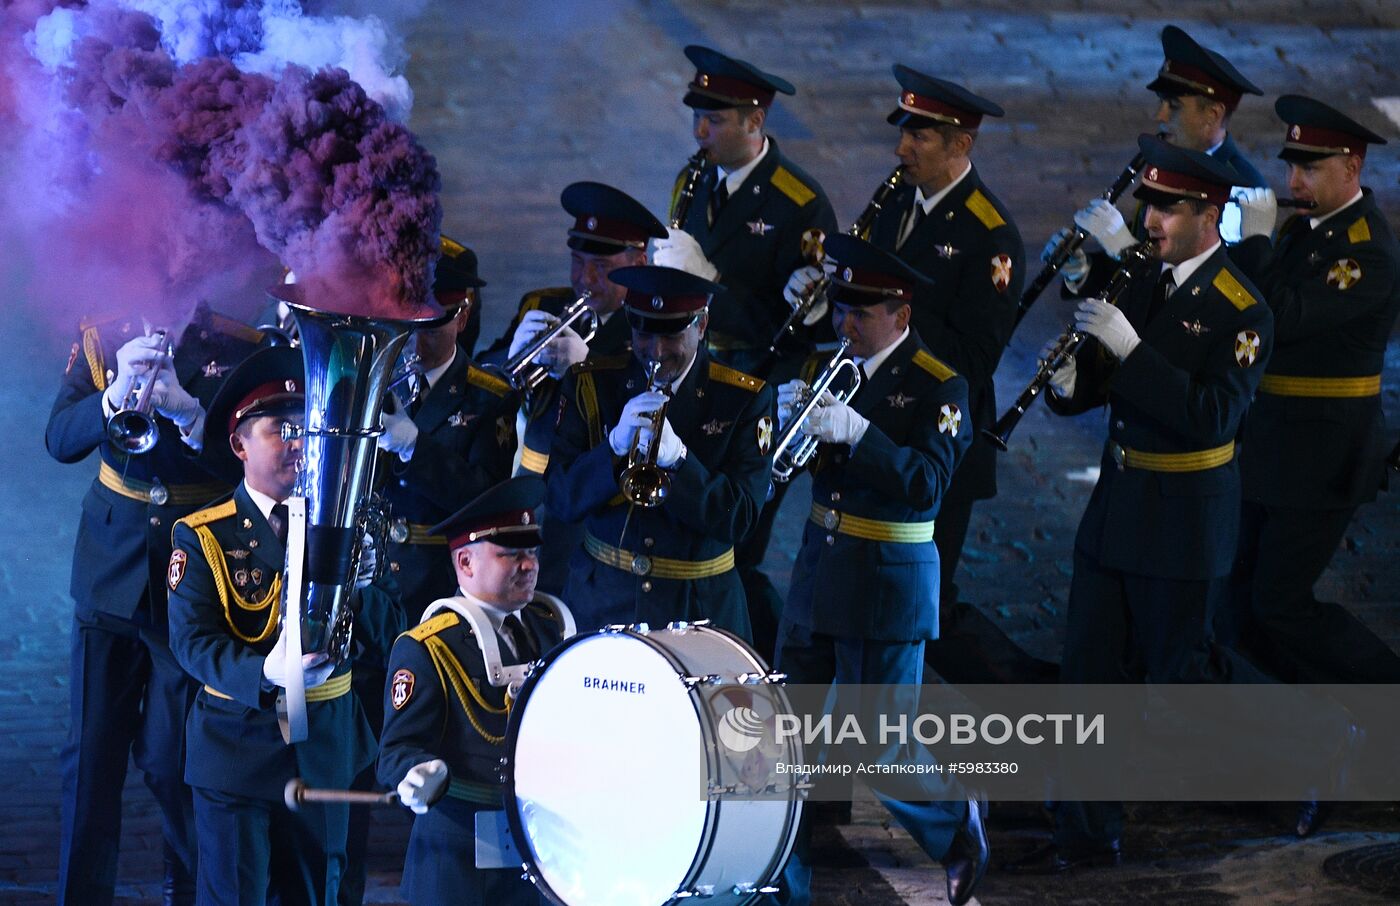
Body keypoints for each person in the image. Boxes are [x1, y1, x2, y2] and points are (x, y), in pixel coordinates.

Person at [1014, 135, 1288, 871]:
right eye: (1151, 204)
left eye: (1168, 207)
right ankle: (1086, 831)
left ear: (1210, 213)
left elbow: (1210, 417)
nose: (1153, 220)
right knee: (1089, 673)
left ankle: (1308, 751)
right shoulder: (1140, 277)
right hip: (1119, 504)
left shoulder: (1244, 310)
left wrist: (1132, 351)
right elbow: (1097, 391)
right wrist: (1071, 383)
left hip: (1184, 516)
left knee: (1182, 677)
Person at [788, 65, 1050, 683]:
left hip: (938, 432)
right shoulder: (894, 201)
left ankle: (1017, 688)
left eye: (920, 136)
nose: (902, 148)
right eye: (904, 133)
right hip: (870, 418)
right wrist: (832, 307)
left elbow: (978, 358)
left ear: (961, 144)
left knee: (925, 599)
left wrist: (888, 332)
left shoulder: (991, 235)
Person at [772, 235, 987, 906]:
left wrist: (861, 436)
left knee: (880, 746)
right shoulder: (828, 366)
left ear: (901, 313)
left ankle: (956, 827)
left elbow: (927, 484)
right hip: (819, 569)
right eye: (841, 309)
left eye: (861, 313)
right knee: (789, 726)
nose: (846, 325)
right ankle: (784, 860)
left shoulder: (938, 385)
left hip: (887, 580)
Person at [44, 302, 264, 906]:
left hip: (190, 582)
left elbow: (257, 467)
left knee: (176, 763)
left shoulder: (241, 345)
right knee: (89, 762)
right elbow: (59, 439)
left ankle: (189, 888)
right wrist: (114, 395)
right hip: (109, 573)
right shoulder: (99, 334)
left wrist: (192, 417)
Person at [166, 346, 402, 904]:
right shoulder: (202, 535)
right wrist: (263, 671)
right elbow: (191, 641)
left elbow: (390, 631)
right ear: (239, 444)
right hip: (237, 744)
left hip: (325, 742)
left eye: (307, 427)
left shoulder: (348, 520)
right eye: (281, 428)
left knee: (319, 893)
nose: (299, 441)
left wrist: (362, 587)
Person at [338, 235, 514, 906]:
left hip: (443, 600)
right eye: (404, 316)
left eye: (431, 319)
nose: (413, 334)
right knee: (358, 759)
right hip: (374, 592)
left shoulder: (492, 399)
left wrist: (414, 448)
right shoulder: (373, 379)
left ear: (462, 314)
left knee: (454, 758)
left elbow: (489, 499)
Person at [657, 44, 837, 656]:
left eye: (716, 119)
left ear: (755, 121)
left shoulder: (799, 204)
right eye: (698, 116)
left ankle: (758, 657)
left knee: (739, 542)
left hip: (752, 389)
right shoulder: (693, 178)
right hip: (695, 375)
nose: (700, 130)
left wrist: (708, 281)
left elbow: (801, 330)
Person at [1225, 97, 1400, 689]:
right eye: (1292, 167)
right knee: (1237, 599)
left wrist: (1254, 245)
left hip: (1324, 454)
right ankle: (1296, 715)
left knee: (1280, 601)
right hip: (1275, 442)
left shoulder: (1365, 248)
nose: (1294, 181)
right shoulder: (1307, 227)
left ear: (1351, 168)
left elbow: (1284, 316)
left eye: (1311, 168)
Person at [546, 265, 774, 638]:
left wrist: (681, 462)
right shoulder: (590, 382)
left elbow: (741, 520)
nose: (655, 350)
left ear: (701, 325)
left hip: (698, 610)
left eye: (671, 335)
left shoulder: (744, 399)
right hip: (603, 601)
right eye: (643, 333)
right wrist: (613, 449)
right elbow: (559, 499)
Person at [377, 476, 569, 905]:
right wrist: (416, 772)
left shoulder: (549, 626)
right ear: (465, 563)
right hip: (457, 859)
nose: (529, 565)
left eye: (532, 552)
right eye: (511, 554)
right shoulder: (428, 646)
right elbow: (395, 751)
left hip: (540, 847)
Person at [481, 183, 666, 596]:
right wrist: (505, 358)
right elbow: (482, 377)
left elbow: (646, 416)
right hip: (524, 488)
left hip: (589, 501)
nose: (585, 279)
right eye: (578, 262)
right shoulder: (543, 304)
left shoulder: (649, 330)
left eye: (601, 267)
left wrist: (587, 368)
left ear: (639, 260)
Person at [1053, 24, 1267, 289]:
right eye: (1161, 103)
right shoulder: (1169, 164)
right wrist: (1083, 271)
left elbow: (1219, 291)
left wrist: (1125, 249)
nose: (1160, 116)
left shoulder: (1241, 188)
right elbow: (1146, 252)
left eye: (1173, 107)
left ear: (1212, 114)